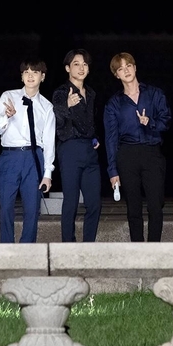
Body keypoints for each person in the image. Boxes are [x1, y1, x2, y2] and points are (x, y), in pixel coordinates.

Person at [104, 52, 171, 242]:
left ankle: (153, 248)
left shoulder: (154, 93)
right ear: (116, 75)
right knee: (133, 207)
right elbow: (110, 138)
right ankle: (137, 250)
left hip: (152, 153)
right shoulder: (113, 103)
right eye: (120, 68)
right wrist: (112, 170)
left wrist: (150, 122)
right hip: (127, 155)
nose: (125, 70)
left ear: (135, 67)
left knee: (155, 205)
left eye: (128, 66)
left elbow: (166, 121)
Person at [0, 59, 55, 243]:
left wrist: (48, 172)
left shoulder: (46, 106)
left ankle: (27, 248)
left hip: (34, 157)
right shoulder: (8, 96)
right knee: (5, 206)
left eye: (35, 72)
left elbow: (49, 141)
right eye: (26, 72)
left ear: (42, 77)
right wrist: (6, 116)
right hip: (10, 155)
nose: (30, 75)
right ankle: (6, 247)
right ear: (21, 76)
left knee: (32, 208)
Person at [52, 49, 102, 242]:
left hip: (89, 150)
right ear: (67, 68)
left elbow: (90, 122)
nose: (81, 68)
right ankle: (68, 246)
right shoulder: (61, 93)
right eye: (76, 64)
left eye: (85, 64)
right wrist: (66, 107)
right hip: (70, 149)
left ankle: (88, 245)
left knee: (94, 204)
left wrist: (94, 137)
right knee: (71, 202)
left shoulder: (91, 92)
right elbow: (55, 123)